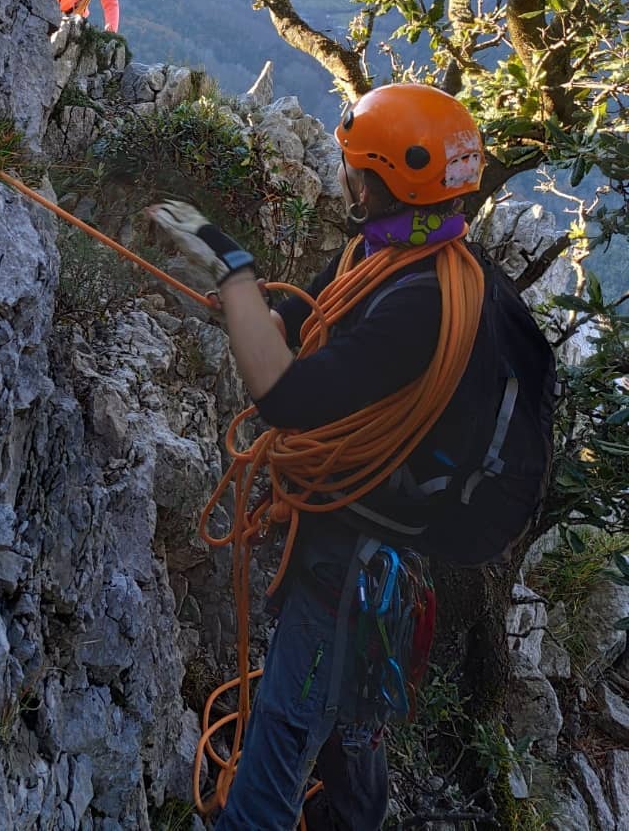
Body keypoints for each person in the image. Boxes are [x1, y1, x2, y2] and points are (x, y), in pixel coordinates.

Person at [148, 83, 494, 831]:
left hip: (353, 553)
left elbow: (286, 399)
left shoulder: (421, 302)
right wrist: (252, 312)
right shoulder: (392, 254)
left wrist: (233, 270)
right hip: (370, 542)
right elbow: (309, 317)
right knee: (353, 709)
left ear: (388, 181)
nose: (345, 178)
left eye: (355, 167)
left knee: (283, 726)